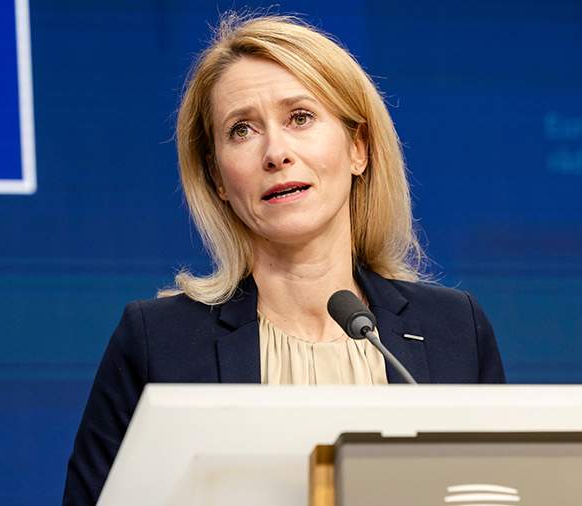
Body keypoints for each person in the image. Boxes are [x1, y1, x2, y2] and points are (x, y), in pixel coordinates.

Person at [62, 13, 505, 505]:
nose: (276, 153)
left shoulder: (453, 329)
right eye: (242, 130)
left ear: (358, 148)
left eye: (300, 117)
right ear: (217, 179)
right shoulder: (158, 343)